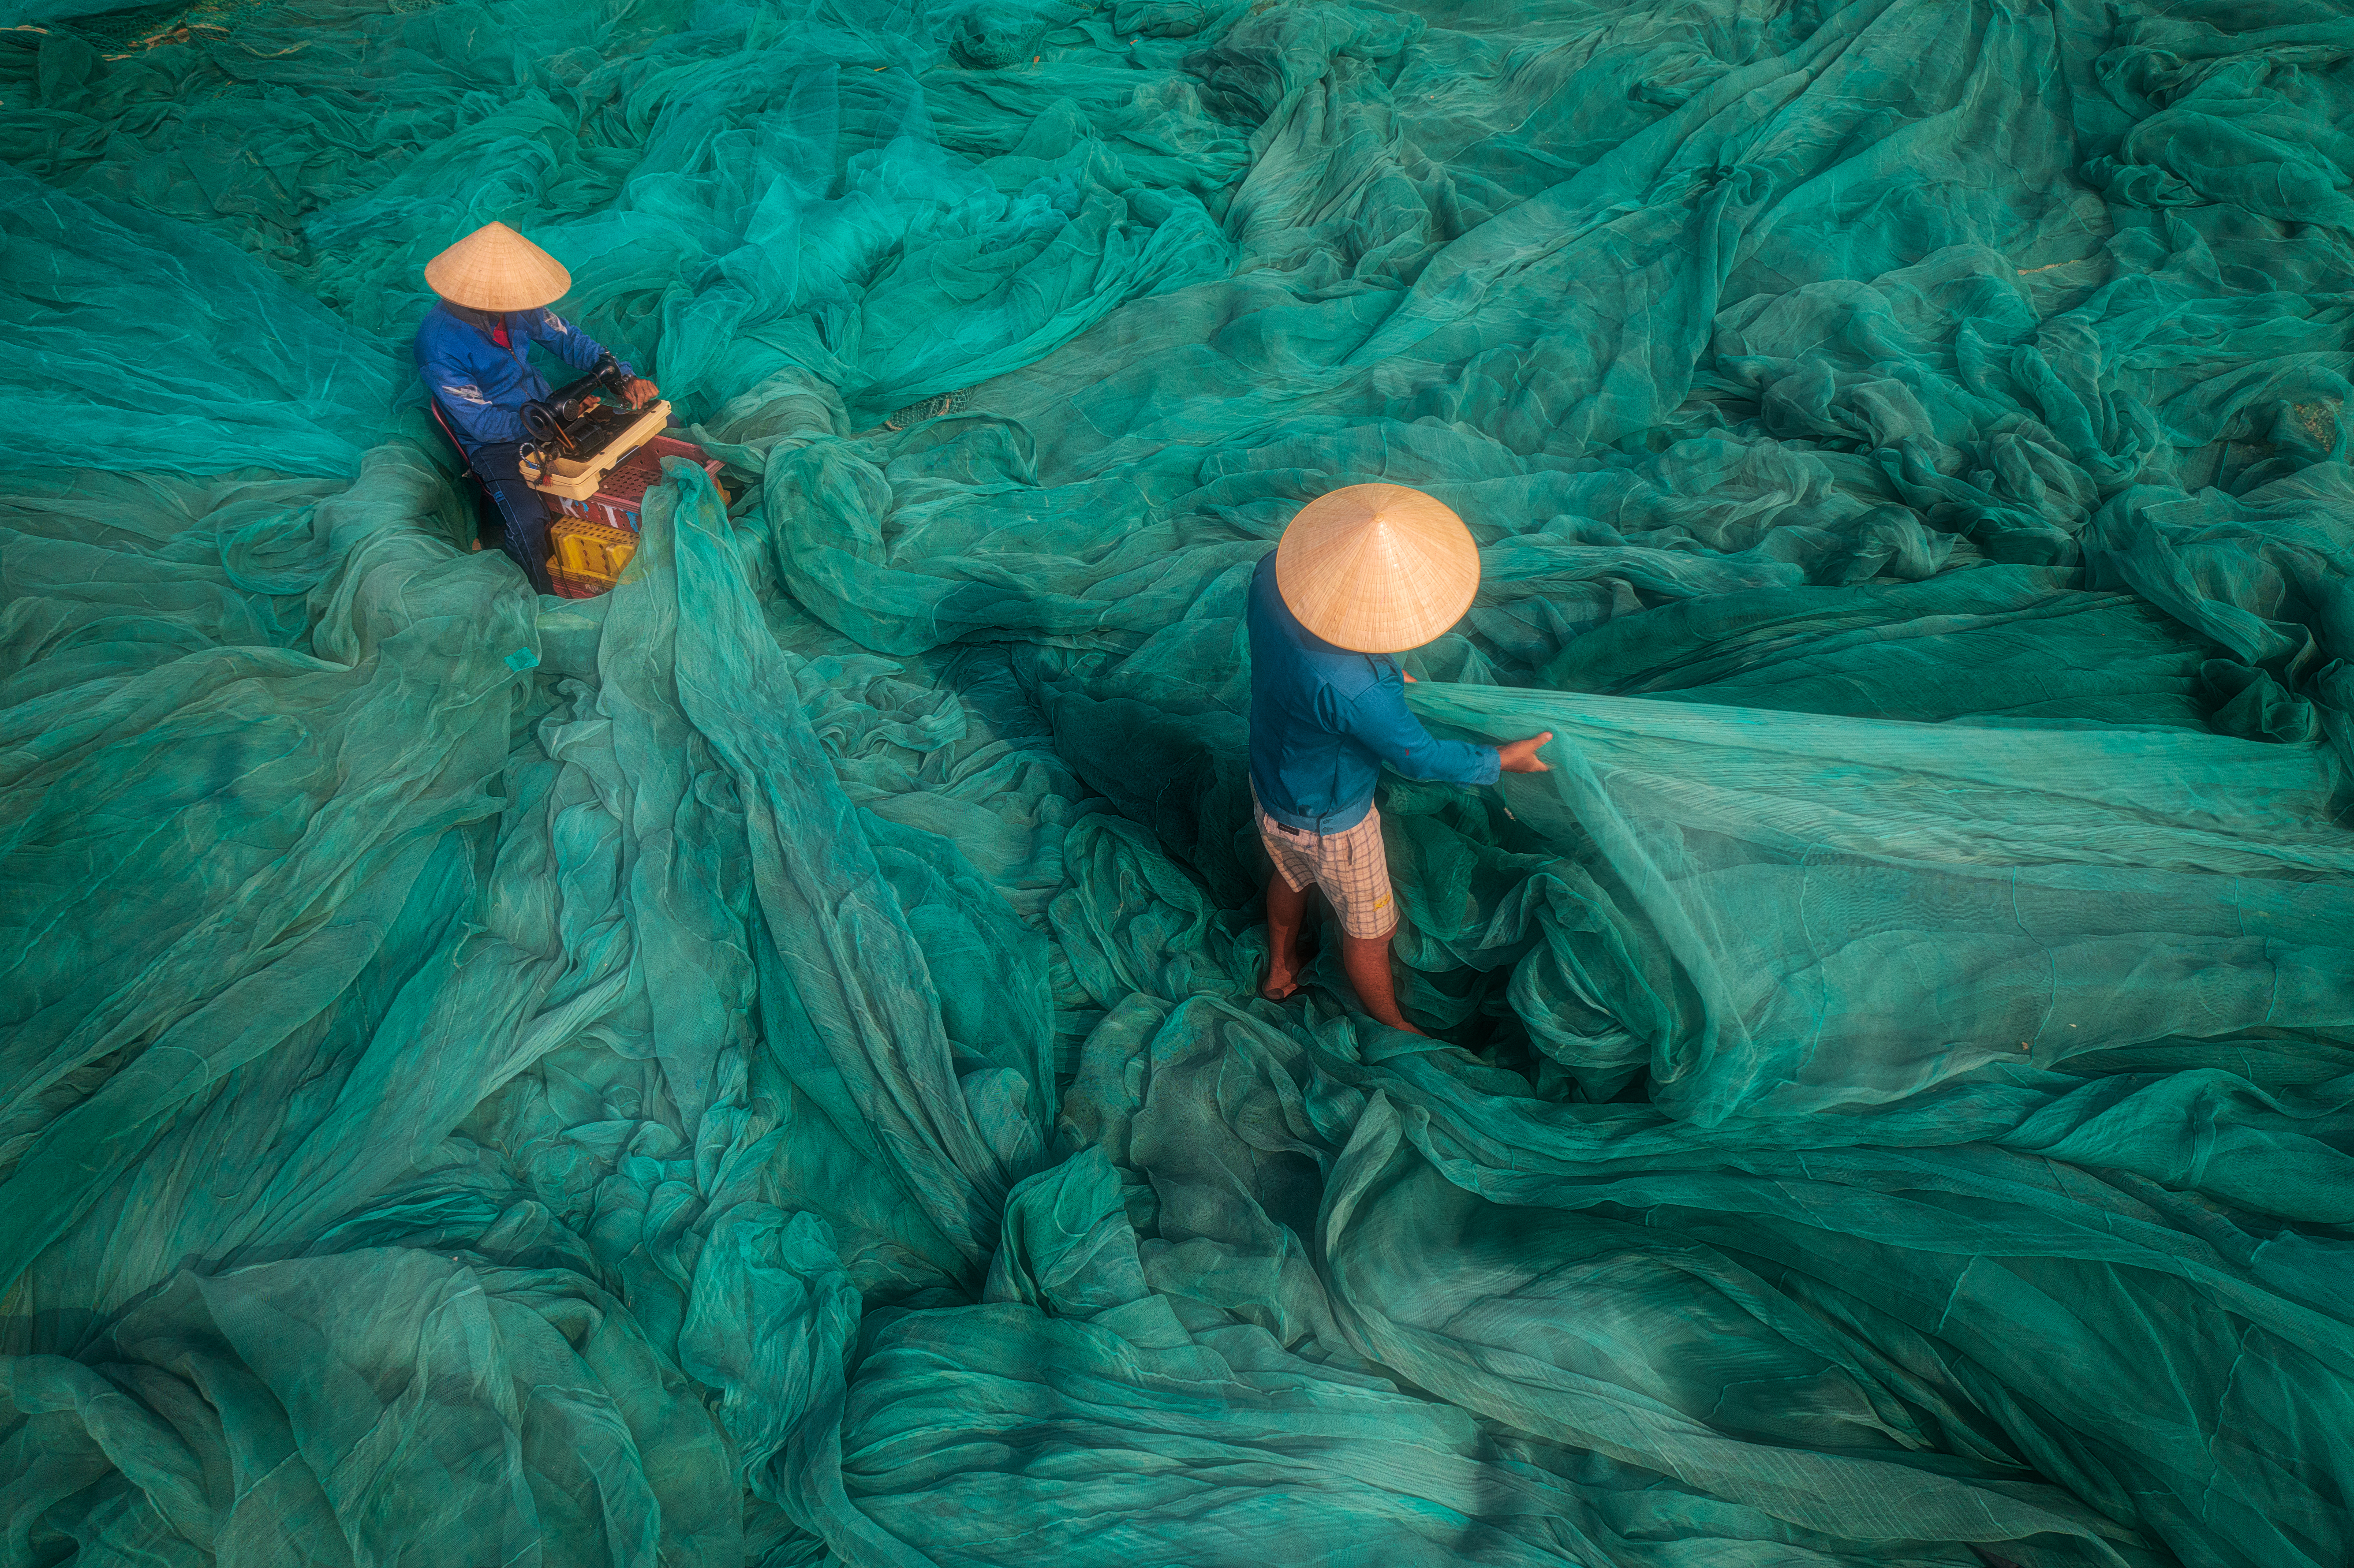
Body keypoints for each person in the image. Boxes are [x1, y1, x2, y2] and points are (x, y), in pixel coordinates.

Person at [1248, 484, 1552, 1034]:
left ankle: (1278, 970)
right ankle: (1393, 1025)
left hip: (1270, 778)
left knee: (1290, 875)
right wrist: (1500, 760)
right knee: (1371, 932)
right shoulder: (1356, 690)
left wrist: (1384, 676)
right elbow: (1418, 756)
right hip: (1331, 820)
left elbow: (1331, 664)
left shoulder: (1272, 574)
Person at [413, 221, 660, 594]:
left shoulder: (516, 306)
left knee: (633, 442)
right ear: (481, 293)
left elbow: (570, 341)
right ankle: (541, 595)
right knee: (529, 521)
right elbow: (482, 424)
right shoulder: (437, 344)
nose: (520, 304)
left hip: (544, 413)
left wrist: (621, 378)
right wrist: (553, 420)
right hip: (494, 443)